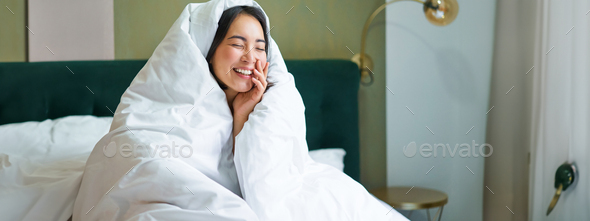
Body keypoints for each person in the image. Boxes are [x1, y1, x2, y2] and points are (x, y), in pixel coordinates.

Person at [205, 6, 274, 153]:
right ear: (210, 51)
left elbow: (250, 173)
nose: (250, 58)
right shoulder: (183, 108)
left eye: (260, 48)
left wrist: (242, 114)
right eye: (237, 45)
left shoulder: (272, 105)